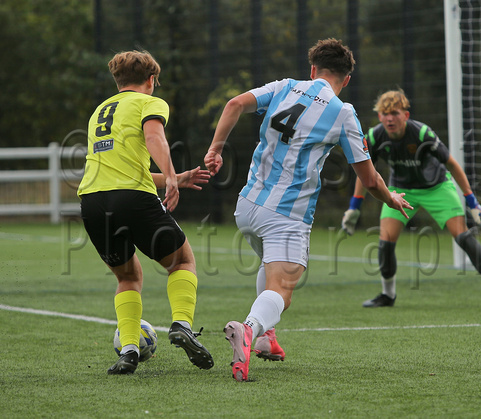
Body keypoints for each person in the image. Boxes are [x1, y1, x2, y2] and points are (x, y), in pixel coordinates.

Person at [204, 39, 413, 382]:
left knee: (270, 270)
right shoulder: (342, 112)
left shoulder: (285, 86)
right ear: (346, 80)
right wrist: (391, 199)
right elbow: (370, 179)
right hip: (285, 215)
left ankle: (267, 340)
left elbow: (234, 104)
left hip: (248, 206)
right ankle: (250, 329)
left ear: (313, 70)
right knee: (283, 289)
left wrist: (216, 148)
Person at [77, 50, 214, 374]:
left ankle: (128, 351)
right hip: (132, 199)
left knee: (127, 276)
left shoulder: (100, 111)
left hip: (93, 201)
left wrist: (175, 176)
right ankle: (181, 324)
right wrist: (170, 179)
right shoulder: (149, 103)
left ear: (118, 80)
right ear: (151, 81)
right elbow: (154, 137)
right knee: (181, 261)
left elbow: (121, 170)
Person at [341, 89, 481, 308]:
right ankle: (388, 295)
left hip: (437, 187)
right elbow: (366, 173)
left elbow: (452, 165)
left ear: (406, 115)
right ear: (379, 117)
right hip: (401, 190)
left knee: (463, 238)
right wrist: (354, 207)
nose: (389, 118)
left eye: (394, 112)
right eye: (385, 113)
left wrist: (473, 203)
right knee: (385, 242)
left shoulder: (422, 134)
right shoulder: (374, 137)